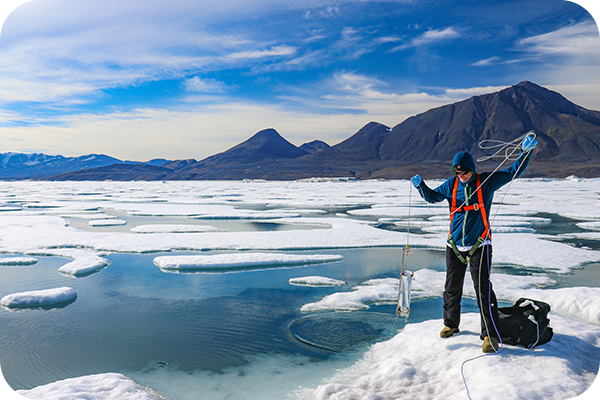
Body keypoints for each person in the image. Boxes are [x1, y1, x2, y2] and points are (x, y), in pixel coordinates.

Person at [410, 135, 537, 353]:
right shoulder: (451, 185)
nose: (462, 176)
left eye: (465, 171)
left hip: (480, 245)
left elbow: (512, 171)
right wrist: (421, 186)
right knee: (451, 288)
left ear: (472, 168)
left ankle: (490, 335)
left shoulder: (485, 182)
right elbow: (432, 198)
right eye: (457, 172)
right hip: (454, 245)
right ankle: (451, 325)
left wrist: (524, 153)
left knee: (483, 291)